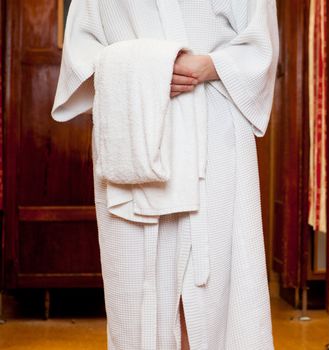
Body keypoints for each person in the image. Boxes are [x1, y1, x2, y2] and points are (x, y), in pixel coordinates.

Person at [51, 1, 279, 349]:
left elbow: (259, 44)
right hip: (132, 121)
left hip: (214, 124)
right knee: (137, 274)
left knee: (217, 272)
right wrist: (145, 70)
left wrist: (208, 65)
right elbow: (82, 50)